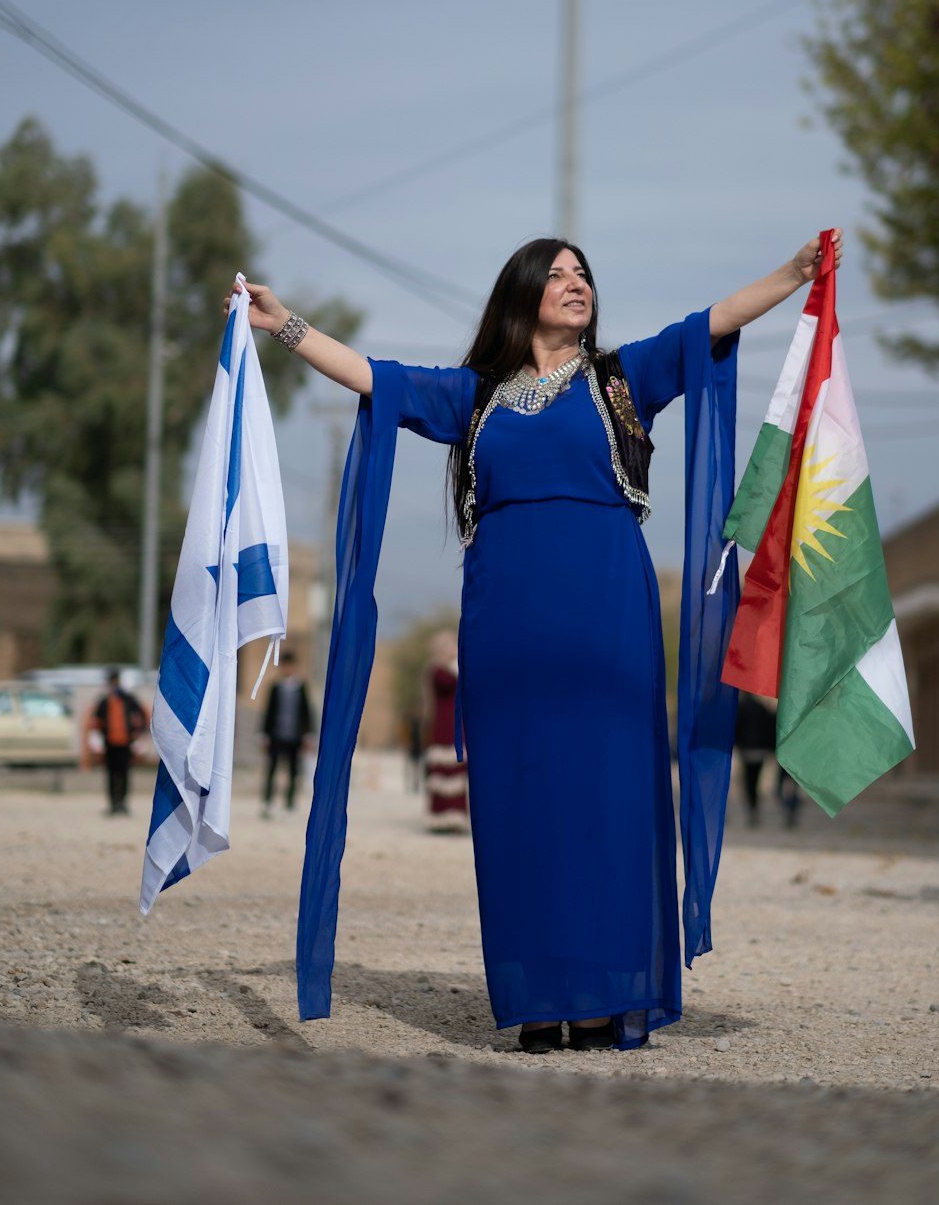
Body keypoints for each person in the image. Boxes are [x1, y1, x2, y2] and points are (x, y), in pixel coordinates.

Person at [229, 227, 843, 1051]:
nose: (575, 282)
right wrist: (288, 326)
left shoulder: (623, 379)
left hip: (608, 624)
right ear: (523, 295)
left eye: (583, 273)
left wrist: (795, 272)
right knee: (522, 802)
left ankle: (601, 996)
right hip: (506, 628)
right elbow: (376, 377)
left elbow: (714, 323)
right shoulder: (475, 398)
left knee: (609, 797)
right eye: (556, 274)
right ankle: (539, 997)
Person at [422, 628, 468, 831]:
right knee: (442, 773)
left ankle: (456, 818)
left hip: (457, 724)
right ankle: (440, 818)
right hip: (443, 725)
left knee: (457, 774)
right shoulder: (437, 671)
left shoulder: (455, 668)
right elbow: (447, 684)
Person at [261, 649, 314, 816]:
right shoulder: (275, 687)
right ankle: (268, 801)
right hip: (276, 735)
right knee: (272, 769)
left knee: (293, 771)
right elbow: (268, 711)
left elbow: (306, 712)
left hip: (294, 736)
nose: (287, 668)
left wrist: (307, 735)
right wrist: (263, 734)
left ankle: (290, 802)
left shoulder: (301, 687)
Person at [88, 669, 147, 816]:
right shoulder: (105, 701)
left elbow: (142, 713)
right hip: (110, 743)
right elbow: (96, 721)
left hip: (126, 742)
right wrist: (97, 739)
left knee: (124, 773)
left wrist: (140, 732)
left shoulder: (128, 699)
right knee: (111, 774)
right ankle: (113, 804)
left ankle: (123, 803)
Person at [734, 692, 777, 826]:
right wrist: (771, 748)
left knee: (748, 780)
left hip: (746, 749)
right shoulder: (761, 708)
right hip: (760, 750)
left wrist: (736, 744)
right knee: (756, 779)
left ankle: (752, 807)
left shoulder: (741, 707)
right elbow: (770, 728)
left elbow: (736, 727)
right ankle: (754, 806)